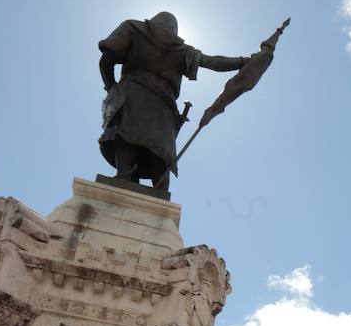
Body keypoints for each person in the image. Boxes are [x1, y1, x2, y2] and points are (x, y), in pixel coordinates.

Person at [97, 12, 252, 193]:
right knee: (160, 151)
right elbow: (213, 62)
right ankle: (159, 191)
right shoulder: (181, 49)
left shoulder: (133, 28)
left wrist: (111, 87)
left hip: (133, 95)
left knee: (127, 136)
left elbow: (105, 61)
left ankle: (123, 176)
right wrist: (244, 61)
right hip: (163, 107)